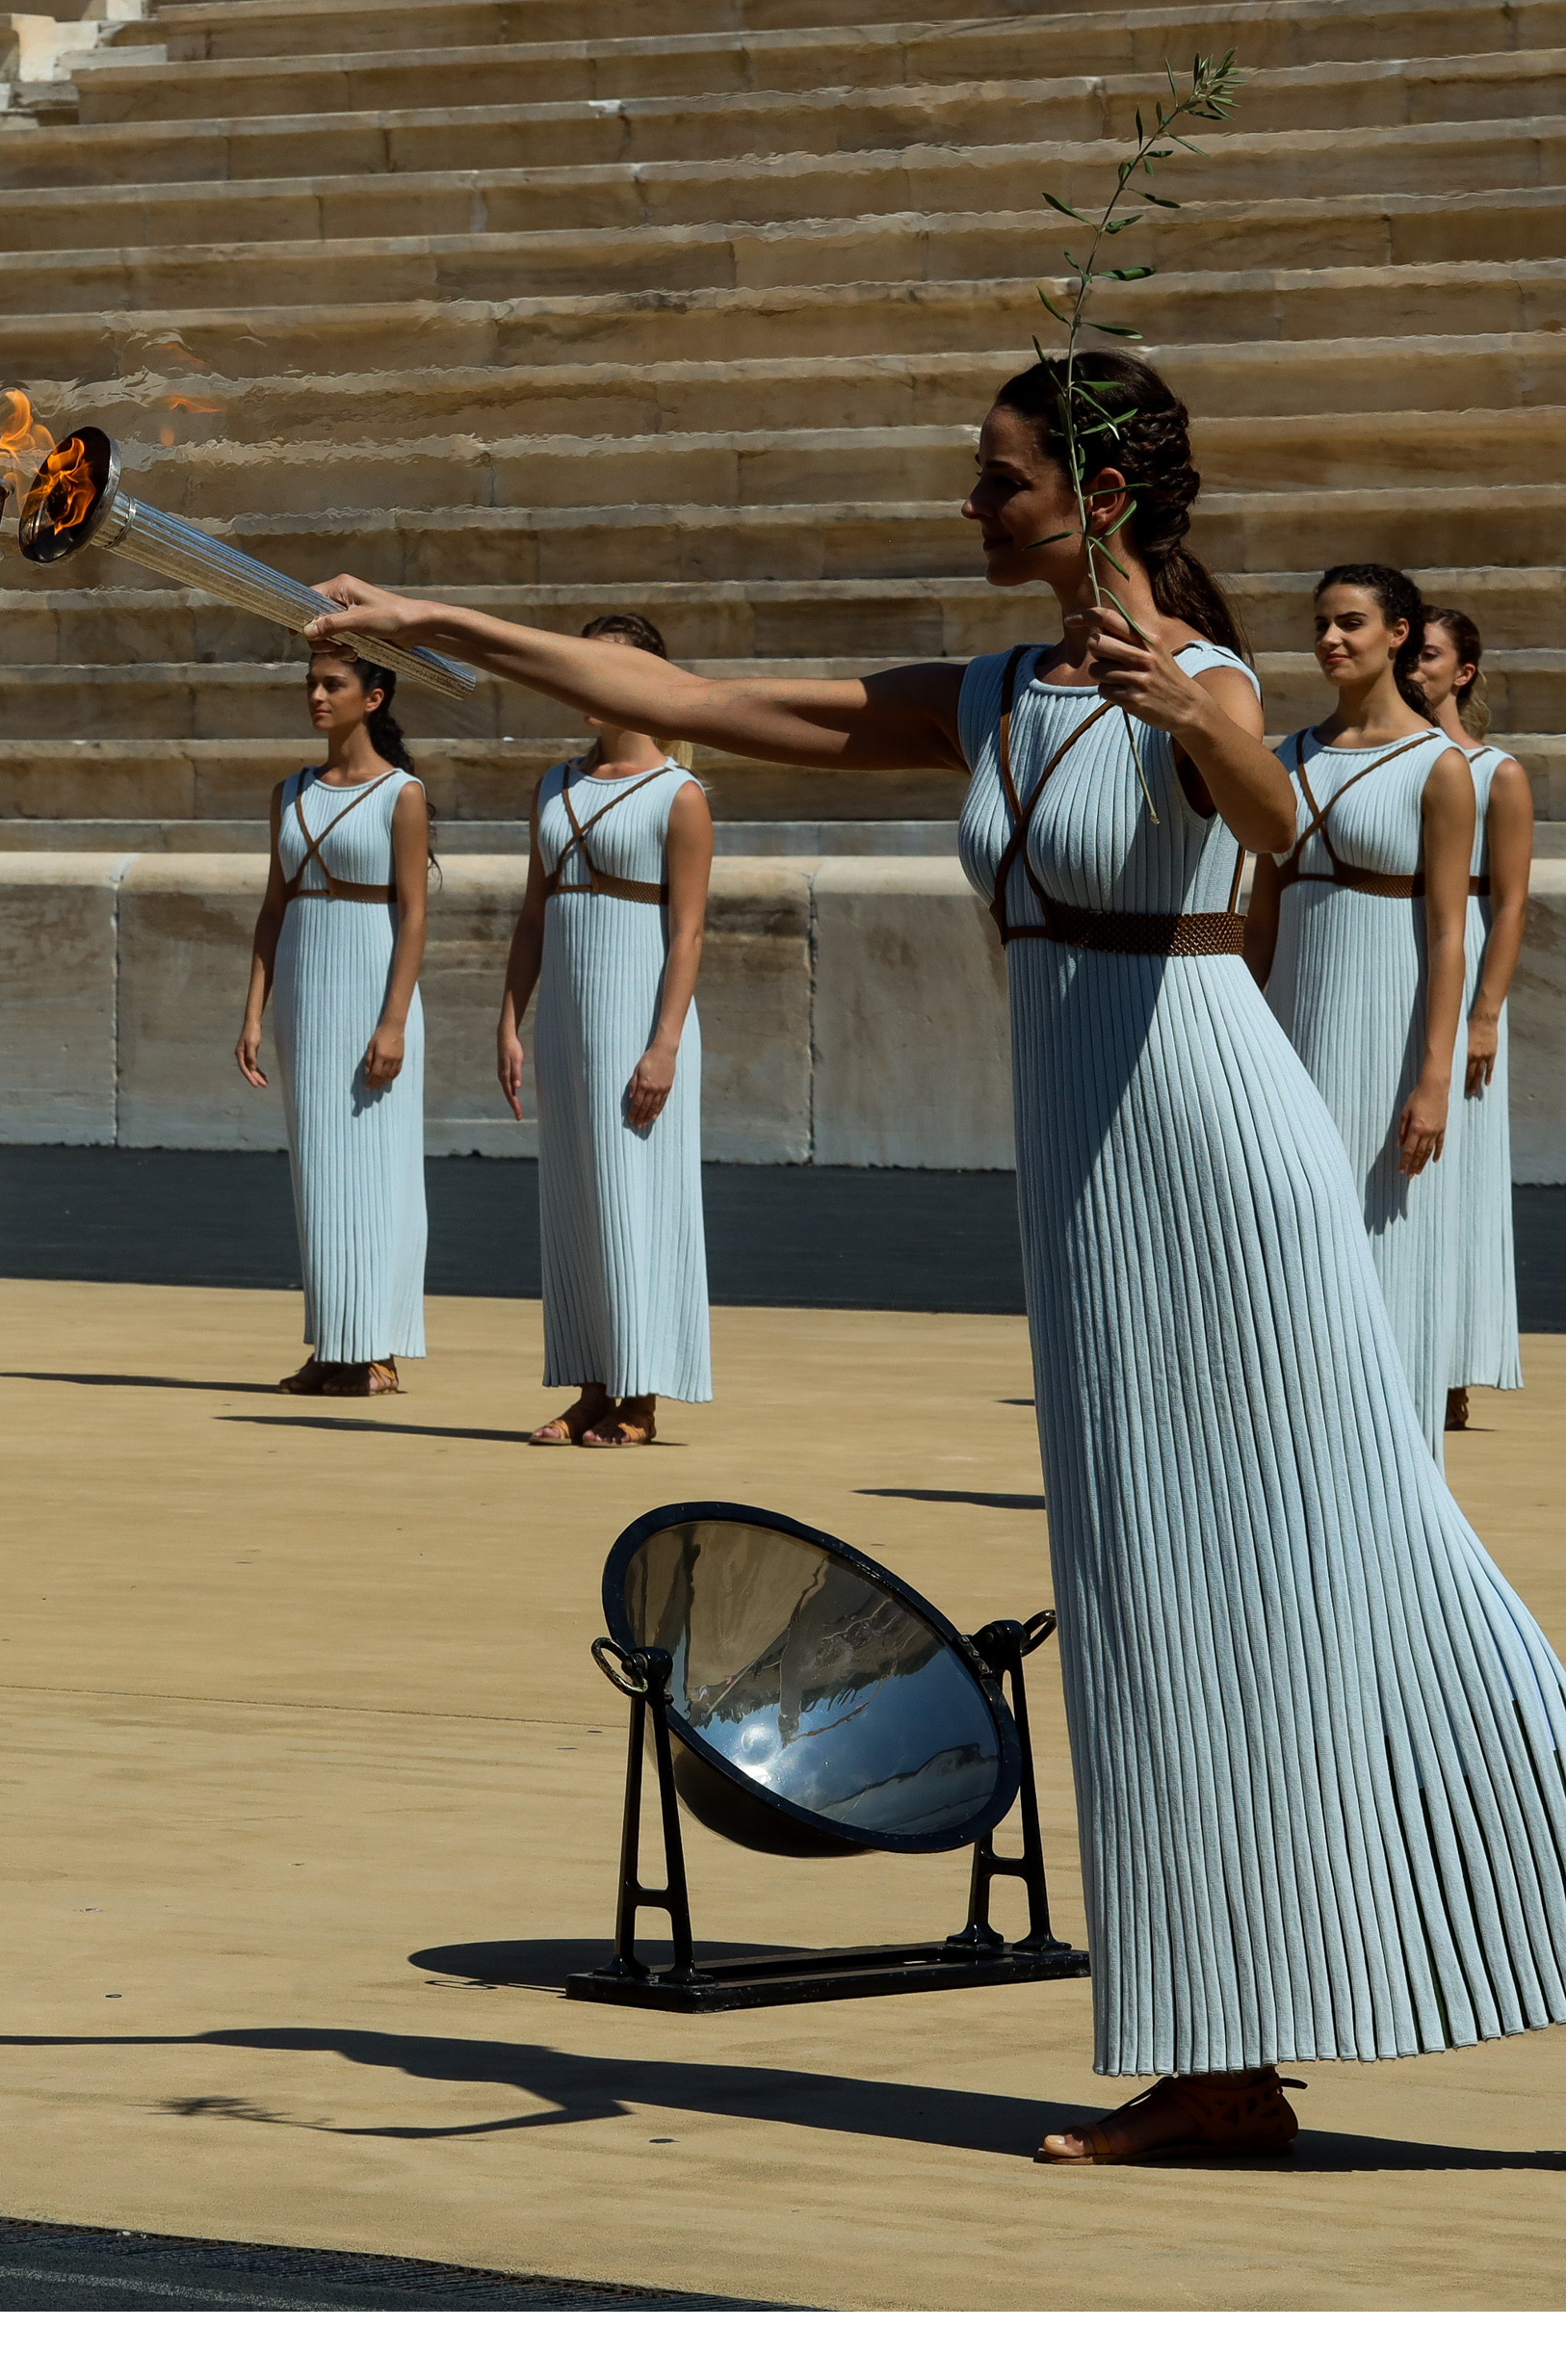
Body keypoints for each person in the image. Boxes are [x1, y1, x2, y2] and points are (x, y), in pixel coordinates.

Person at [306, 350, 1566, 2164]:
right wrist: (445, 620)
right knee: (1149, 1606)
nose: (968, 509)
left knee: (1363, 1562)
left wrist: (1194, 708)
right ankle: (1222, 2064)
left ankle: (1260, 2034)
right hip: (1087, 1171)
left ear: (1097, 496)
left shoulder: (1198, 674)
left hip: (1215, 1153)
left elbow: (1276, 824)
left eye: (999, 482)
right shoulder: (990, 695)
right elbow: (689, 696)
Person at [1244, 565, 1477, 1450]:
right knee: (1291, 1252)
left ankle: (1397, 1469)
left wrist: (1432, 1077)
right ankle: (1300, 1458)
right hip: (1290, 1037)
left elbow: (1451, 935)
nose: (1331, 639)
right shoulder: (1282, 759)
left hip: (1386, 1044)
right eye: (1321, 625)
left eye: (1351, 623)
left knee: (1386, 1250)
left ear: (1398, 634)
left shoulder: (1439, 767)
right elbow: (1258, 928)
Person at [498, 615, 712, 1448]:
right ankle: (593, 1383)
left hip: (640, 1019)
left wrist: (665, 1042)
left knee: (635, 1196)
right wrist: (511, 1018)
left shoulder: (679, 796)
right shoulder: (553, 784)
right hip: (568, 1023)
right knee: (577, 1199)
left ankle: (641, 1394)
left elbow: (688, 933)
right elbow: (530, 917)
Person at [233, 644, 428, 1396]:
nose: (316, 695)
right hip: (306, 997)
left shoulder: (400, 794)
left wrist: (394, 1019)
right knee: (318, 1171)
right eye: (311, 682)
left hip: (370, 987)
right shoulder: (289, 792)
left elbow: (413, 914)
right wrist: (254, 1010)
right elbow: (273, 908)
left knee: (377, 1169)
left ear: (373, 697)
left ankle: (374, 1346)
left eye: (333, 683)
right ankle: (333, 1341)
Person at [1413, 606, 1528, 1429]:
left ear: (1464, 672)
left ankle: (1452, 1354)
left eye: (1429, 655)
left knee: (1460, 1171)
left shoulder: (1496, 773)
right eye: (1408, 653)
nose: (1412, 666)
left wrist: (1486, 1013)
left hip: (1468, 980)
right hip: (1394, 964)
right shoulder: (1393, 765)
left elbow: (1512, 901)